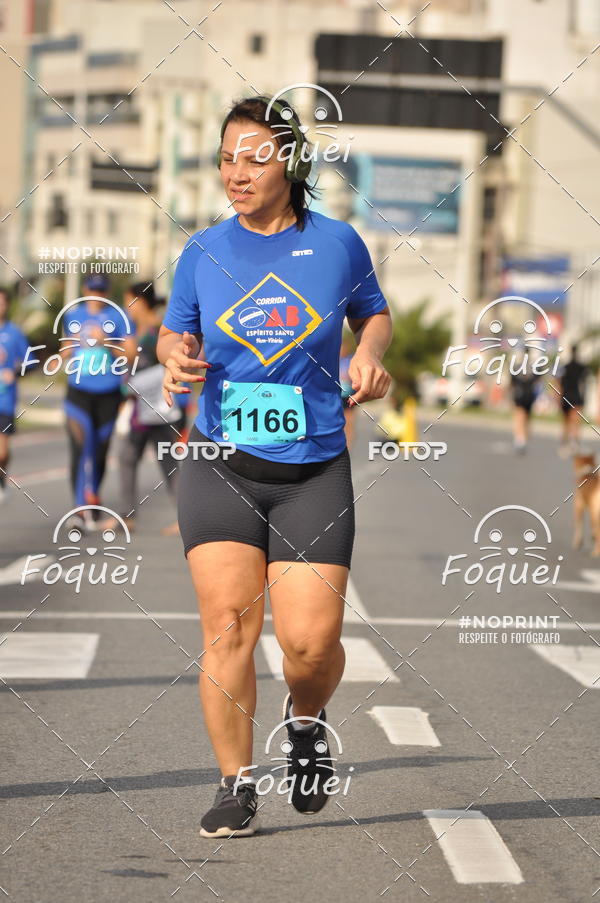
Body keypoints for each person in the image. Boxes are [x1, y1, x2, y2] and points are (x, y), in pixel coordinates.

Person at [157, 95, 392, 837]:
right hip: (220, 461)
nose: (237, 171)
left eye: (254, 156)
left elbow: (375, 313)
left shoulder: (338, 245)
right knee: (227, 625)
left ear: (290, 162)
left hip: (314, 466)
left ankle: (306, 720)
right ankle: (234, 784)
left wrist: (368, 353)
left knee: (308, 644)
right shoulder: (202, 253)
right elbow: (173, 337)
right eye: (227, 156)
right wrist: (175, 362)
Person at [101, 282, 186, 534]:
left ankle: (132, 517)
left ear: (139, 301)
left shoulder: (156, 331)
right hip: (143, 406)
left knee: (155, 461)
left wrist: (108, 343)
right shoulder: (142, 330)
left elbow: (137, 360)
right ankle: (129, 516)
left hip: (155, 407)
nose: (128, 309)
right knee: (140, 459)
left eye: (130, 302)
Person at [62, 274, 131, 527]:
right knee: (79, 448)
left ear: (107, 291)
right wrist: (67, 351)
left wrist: (107, 341)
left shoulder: (118, 316)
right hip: (78, 391)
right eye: (93, 290)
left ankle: (93, 494)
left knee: (100, 452)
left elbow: (131, 352)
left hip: (108, 393)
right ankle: (80, 507)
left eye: (101, 291)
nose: (97, 295)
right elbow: (67, 347)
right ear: (84, 289)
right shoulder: (73, 316)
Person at [0, 288, 30, 501]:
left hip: (5, 400)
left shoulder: (14, 332)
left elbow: (31, 360)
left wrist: (16, 371)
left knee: (1, 453)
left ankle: (2, 481)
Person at [558, 344, 588, 455]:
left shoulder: (565, 367)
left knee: (566, 421)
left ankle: (565, 443)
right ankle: (573, 442)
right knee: (575, 421)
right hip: (576, 396)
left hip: (566, 396)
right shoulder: (582, 368)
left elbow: (560, 384)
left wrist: (559, 398)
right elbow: (583, 384)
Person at [510, 365, 540, 454]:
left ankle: (521, 440)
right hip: (524, 398)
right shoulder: (528, 371)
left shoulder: (521, 370)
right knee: (522, 418)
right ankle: (521, 439)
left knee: (522, 418)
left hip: (525, 398)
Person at [339, 332, 357, 450]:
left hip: (349, 394)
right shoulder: (334, 360)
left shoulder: (351, 360)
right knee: (338, 420)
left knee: (349, 421)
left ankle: (348, 445)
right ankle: (339, 443)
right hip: (337, 395)